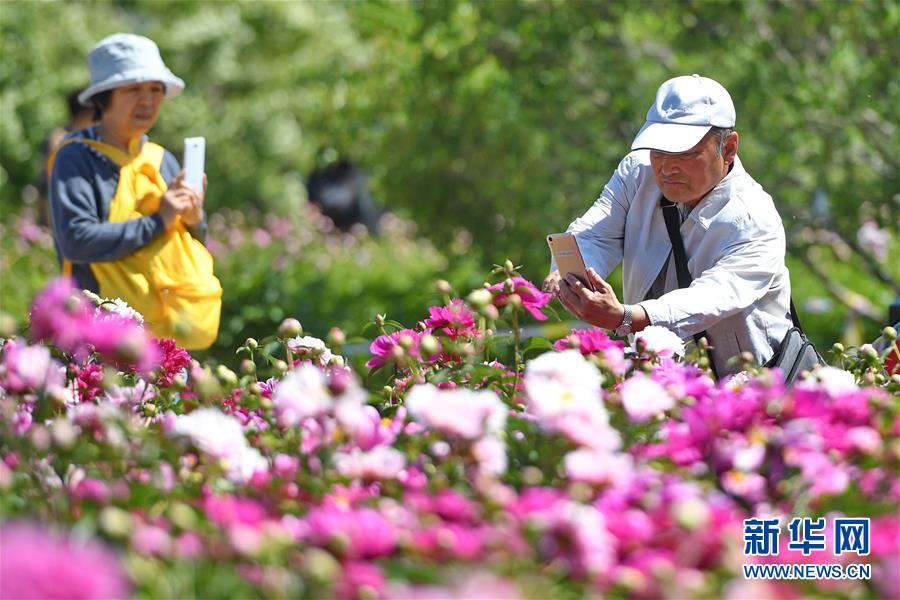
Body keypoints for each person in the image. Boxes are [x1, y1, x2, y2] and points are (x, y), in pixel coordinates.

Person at [543, 74, 793, 376]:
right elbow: (595, 235)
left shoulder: (755, 218)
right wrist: (571, 272)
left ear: (729, 148)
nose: (667, 166)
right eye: (658, 150)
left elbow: (709, 299)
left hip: (748, 388)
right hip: (656, 380)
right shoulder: (638, 172)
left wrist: (624, 317)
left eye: (686, 153)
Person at [48, 33, 221, 349]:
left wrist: (195, 220)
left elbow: (186, 248)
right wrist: (160, 219)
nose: (148, 100)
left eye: (156, 89)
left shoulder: (161, 159)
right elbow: (76, 241)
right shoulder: (76, 156)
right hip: (97, 342)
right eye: (133, 89)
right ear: (103, 98)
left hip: (162, 343)